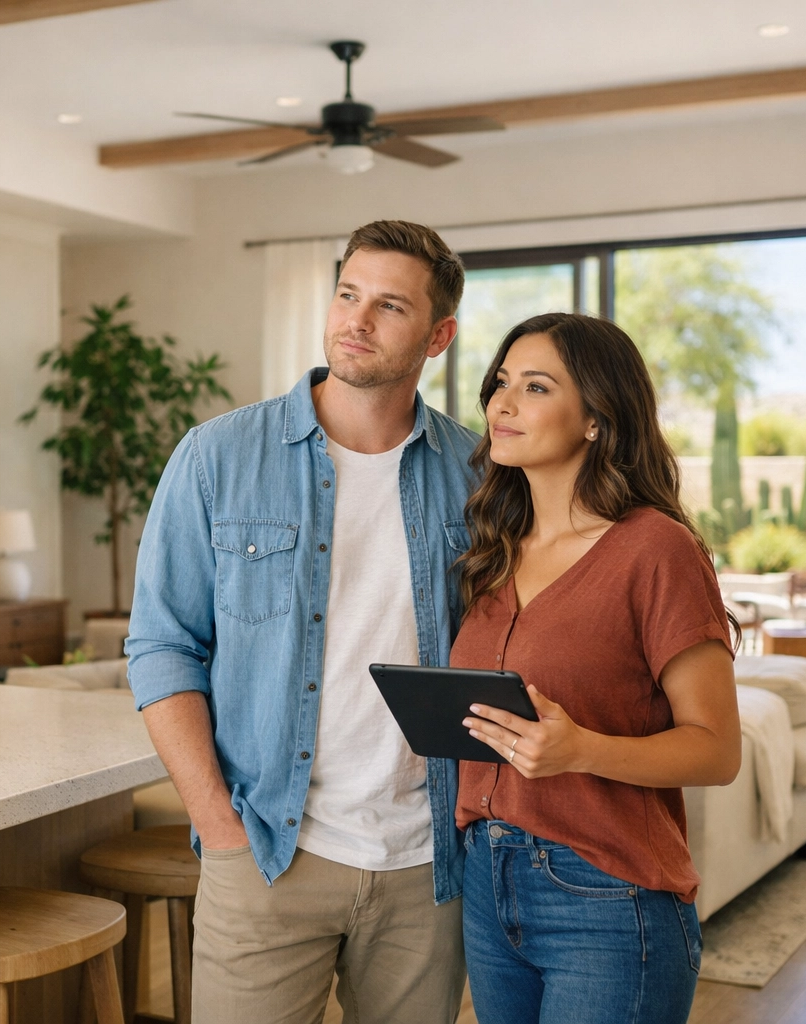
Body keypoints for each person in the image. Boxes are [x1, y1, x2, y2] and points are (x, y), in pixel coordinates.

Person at [125, 220, 481, 1024]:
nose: (355, 320)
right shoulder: (217, 456)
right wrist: (217, 823)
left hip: (427, 865)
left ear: (439, 335)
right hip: (266, 850)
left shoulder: (479, 473)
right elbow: (161, 646)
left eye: (389, 306)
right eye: (348, 294)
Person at [453, 312, 742, 1024]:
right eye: (500, 382)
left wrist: (582, 749)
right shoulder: (493, 547)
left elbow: (718, 749)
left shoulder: (656, 550)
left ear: (595, 419)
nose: (503, 403)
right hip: (488, 880)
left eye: (536, 386)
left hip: (606, 896)